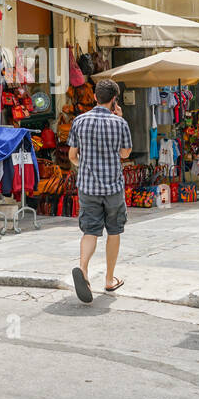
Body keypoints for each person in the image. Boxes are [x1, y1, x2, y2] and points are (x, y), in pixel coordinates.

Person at [67, 77, 133, 303]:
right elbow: (125, 154)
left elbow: (72, 156)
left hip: (87, 187)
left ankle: (83, 270)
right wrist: (120, 118)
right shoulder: (120, 123)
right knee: (113, 231)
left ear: (95, 97)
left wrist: (84, 166)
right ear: (115, 100)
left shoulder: (79, 121)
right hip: (113, 187)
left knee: (90, 231)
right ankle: (109, 278)